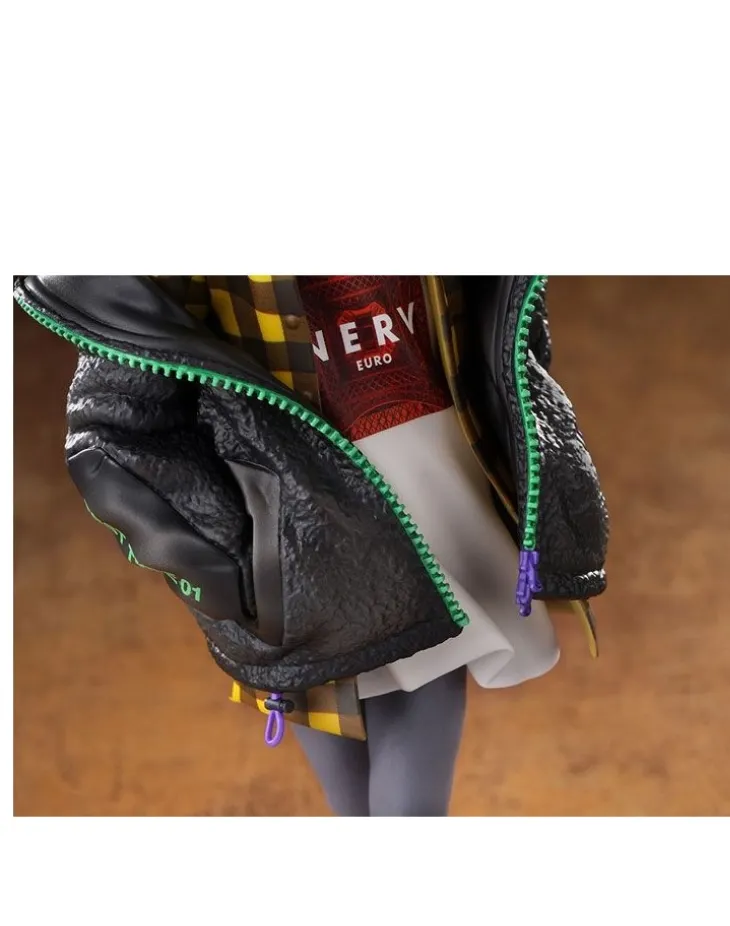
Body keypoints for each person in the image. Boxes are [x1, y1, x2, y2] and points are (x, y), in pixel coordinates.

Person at [14, 275, 609, 816]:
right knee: (356, 778)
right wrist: (233, 555)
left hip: (427, 493)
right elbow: (114, 431)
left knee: (408, 755)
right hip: (295, 527)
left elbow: (505, 324)